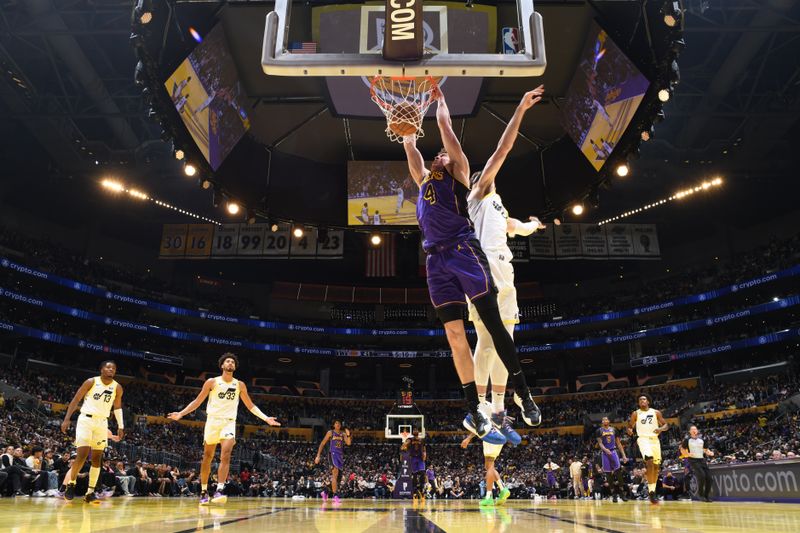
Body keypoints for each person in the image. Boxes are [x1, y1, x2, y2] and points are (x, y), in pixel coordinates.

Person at [400, 85, 540, 442]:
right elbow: (413, 155)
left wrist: (441, 101)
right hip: (436, 260)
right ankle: (476, 408)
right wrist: (407, 137)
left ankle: (520, 394)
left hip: (465, 252)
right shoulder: (424, 183)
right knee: (456, 335)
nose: (440, 157)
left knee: (496, 330)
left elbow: (452, 135)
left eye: (445, 156)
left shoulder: (467, 181)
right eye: (439, 157)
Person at [467, 85, 546, 444]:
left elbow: (519, 227)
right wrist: (520, 111)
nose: (487, 174)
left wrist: (534, 225)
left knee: (507, 342)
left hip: (506, 274)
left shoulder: (498, 206)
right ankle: (480, 407)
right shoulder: (477, 196)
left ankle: (499, 408)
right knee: (485, 343)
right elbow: (503, 150)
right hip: (482, 272)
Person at [168, 352, 281, 505]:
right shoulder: (211, 382)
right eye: (227, 361)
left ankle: (219, 490)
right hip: (212, 421)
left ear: (235, 367)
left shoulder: (239, 384)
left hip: (228, 422)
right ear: (222, 365)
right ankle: (203, 490)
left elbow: (250, 405)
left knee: (226, 453)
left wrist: (266, 418)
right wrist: (181, 414)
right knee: (207, 457)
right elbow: (197, 401)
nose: (230, 363)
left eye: (232, 362)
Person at [60, 360, 124, 503]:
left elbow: (117, 408)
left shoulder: (117, 387)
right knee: (81, 455)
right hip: (86, 420)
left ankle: (90, 492)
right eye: (108, 367)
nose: (111, 370)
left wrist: (121, 426)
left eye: (114, 368)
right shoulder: (91, 382)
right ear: (101, 369)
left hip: (102, 422)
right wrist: (67, 418)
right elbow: (76, 399)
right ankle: (71, 484)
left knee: (97, 459)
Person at [627, 394, 668, 505]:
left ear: (648, 401)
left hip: (655, 440)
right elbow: (629, 426)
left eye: (644, 399)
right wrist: (630, 430)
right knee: (649, 461)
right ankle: (651, 493)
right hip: (643, 439)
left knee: (656, 467)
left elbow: (666, 425)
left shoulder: (656, 412)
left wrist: (660, 429)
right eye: (640, 399)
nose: (642, 401)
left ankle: (651, 490)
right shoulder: (636, 414)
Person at [461, 432, 511, 507]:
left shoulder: (488, 420)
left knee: (489, 465)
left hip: (491, 435)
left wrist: (468, 438)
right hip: (500, 435)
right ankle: (502, 489)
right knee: (489, 466)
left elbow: (478, 427)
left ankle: (489, 497)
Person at [314, 420, 352, 504]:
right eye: (336, 423)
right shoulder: (330, 433)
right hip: (332, 454)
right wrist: (318, 455)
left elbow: (349, 443)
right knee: (335, 473)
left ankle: (325, 492)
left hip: (340, 456)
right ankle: (335, 496)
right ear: (334, 425)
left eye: (339, 423)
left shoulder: (343, 434)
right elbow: (322, 443)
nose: (338, 424)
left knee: (338, 479)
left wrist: (348, 434)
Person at [596, 416, 629, 502]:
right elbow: (600, 443)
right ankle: (613, 494)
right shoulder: (599, 431)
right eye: (603, 420)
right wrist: (605, 450)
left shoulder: (614, 430)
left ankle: (622, 493)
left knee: (618, 473)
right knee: (608, 475)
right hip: (605, 453)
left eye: (606, 419)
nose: (605, 421)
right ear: (602, 422)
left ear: (609, 421)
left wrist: (624, 455)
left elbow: (618, 443)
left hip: (613, 452)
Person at [680, 424, 714, 502]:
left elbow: (705, 450)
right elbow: (682, 449)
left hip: (702, 460)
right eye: (692, 429)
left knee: (709, 478)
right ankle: (700, 495)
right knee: (701, 476)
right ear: (690, 432)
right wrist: (687, 454)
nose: (694, 430)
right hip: (693, 460)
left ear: (697, 431)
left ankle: (706, 496)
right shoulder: (687, 440)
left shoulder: (702, 440)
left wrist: (710, 453)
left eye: (695, 429)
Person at [403, 428, 427, 501]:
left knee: (423, 473)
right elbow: (405, 445)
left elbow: (424, 448)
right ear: (412, 432)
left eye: (416, 430)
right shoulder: (410, 439)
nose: (415, 431)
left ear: (418, 432)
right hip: (413, 458)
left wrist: (425, 454)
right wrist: (405, 445)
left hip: (420, 458)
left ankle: (421, 489)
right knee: (414, 474)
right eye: (414, 430)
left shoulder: (422, 440)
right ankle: (415, 490)